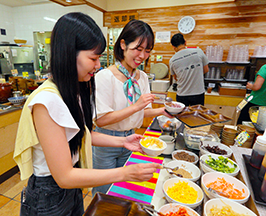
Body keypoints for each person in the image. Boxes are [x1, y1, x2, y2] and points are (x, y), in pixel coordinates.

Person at [13, 13, 161, 216]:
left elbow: (83, 133)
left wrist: (123, 142)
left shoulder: (74, 90)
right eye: (93, 58)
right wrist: (125, 173)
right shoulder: (47, 102)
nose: (98, 65)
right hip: (49, 194)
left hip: (71, 188)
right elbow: (64, 176)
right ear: (67, 54)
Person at [92, 19, 171, 195]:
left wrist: (162, 111)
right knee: (103, 193)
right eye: (138, 49)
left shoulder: (141, 77)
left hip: (131, 139)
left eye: (147, 51)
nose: (142, 56)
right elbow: (101, 119)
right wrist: (136, 106)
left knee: (123, 191)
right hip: (106, 142)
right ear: (123, 45)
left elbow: (139, 112)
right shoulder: (104, 77)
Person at [169, 33, 209, 106]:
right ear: (185, 42)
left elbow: (176, 78)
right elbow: (206, 69)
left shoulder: (172, 60)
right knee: (197, 116)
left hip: (182, 94)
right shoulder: (198, 51)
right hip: (198, 93)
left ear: (173, 47)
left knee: (182, 117)